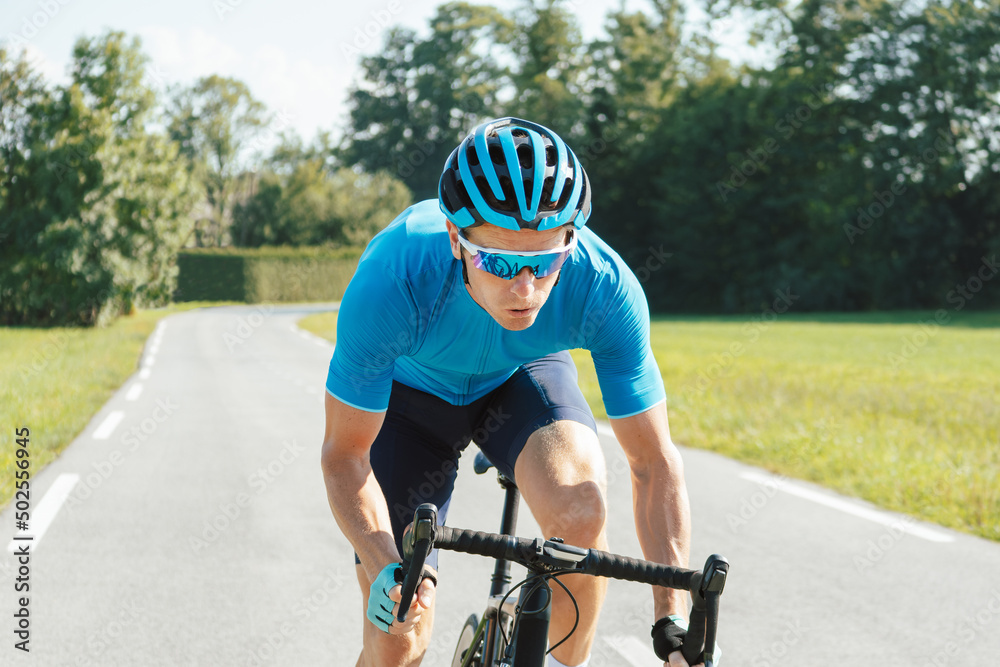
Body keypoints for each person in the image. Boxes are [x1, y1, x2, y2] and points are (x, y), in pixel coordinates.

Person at [321, 117, 699, 667]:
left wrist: (673, 618)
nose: (526, 290)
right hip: (411, 399)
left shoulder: (604, 286)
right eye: (498, 261)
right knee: (399, 636)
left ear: (571, 241)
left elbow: (653, 462)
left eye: (545, 262)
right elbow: (343, 458)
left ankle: (567, 662)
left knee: (581, 511)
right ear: (456, 239)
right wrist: (386, 567)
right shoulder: (392, 281)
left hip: (523, 377)